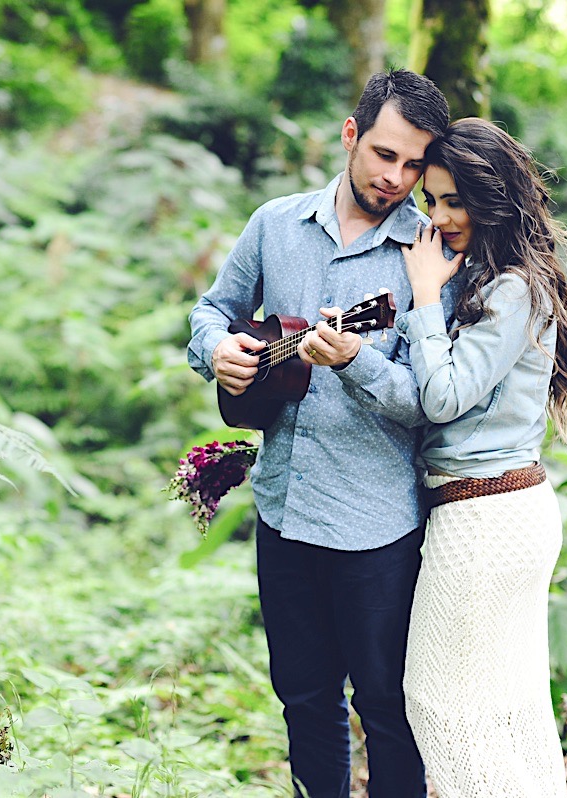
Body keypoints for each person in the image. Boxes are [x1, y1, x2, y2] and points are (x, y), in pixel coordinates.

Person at [188, 69, 453, 798]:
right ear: (350, 135)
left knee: (388, 713)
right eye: (383, 155)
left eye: (413, 164)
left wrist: (358, 360)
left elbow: (432, 402)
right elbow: (211, 310)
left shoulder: (430, 260)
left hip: (376, 527)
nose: (396, 177)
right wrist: (215, 350)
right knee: (304, 702)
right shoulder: (275, 225)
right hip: (283, 510)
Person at [397, 118, 567, 797]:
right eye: (432, 201)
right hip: (503, 510)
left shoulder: (511, 288)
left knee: (437, 705)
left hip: (484, 519)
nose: (440, 218)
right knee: (510, 713)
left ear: (493, 197)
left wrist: (422, 296)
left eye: (455, 201)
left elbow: (443, 397)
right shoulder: (499, 277)